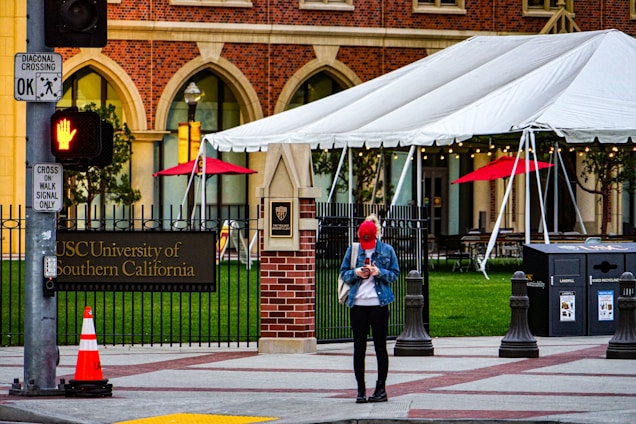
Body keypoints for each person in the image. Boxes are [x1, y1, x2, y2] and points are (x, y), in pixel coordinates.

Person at [339, 214, 400, 404]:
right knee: (359, 348)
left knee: (380, 348)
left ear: (376, 236)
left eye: (369, 242)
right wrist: (356, 273)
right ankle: (360, 390)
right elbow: (343, 273)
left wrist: (379, 272)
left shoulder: (386, 250)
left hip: (378, 305)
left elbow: (395, 274)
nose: (367, 246)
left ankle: (380, 388)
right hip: (358, 305)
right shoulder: (354, 250)